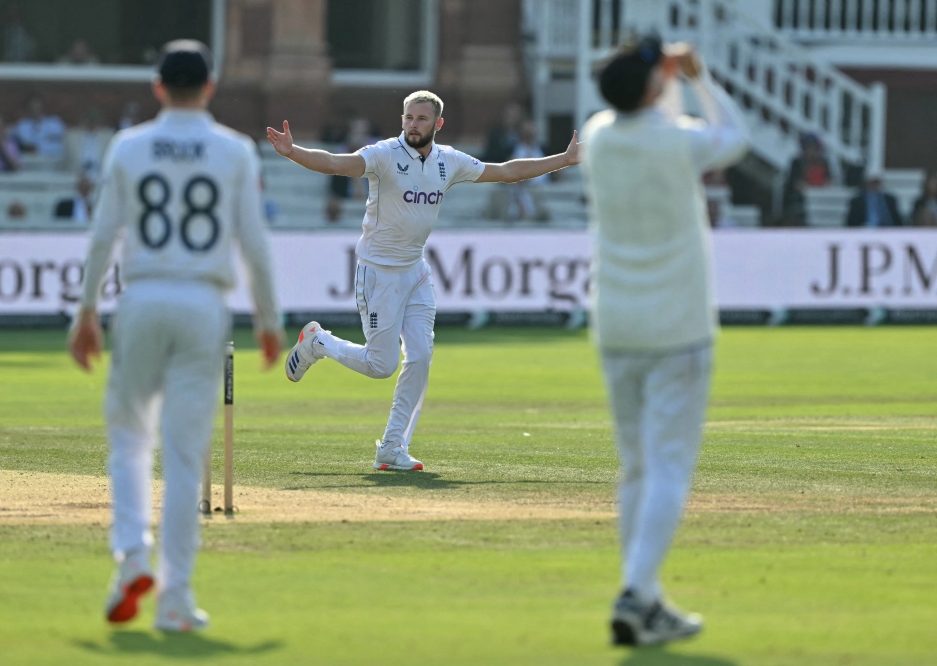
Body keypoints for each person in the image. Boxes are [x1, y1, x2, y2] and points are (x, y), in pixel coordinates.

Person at [67, 39, 286, 632]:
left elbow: (102, 234)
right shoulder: (234, 150)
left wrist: (85, 310)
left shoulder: (131, 145)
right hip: (203, 304)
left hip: (141, 297)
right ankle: (175, 599)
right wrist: (269, 321)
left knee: (129, 441)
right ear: (210, 87)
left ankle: (132, 555)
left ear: (159, 87)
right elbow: (255, 244)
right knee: (186, 457)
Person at [266, 91, 580, 472]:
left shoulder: (449, 162)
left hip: (416, 273)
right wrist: (294, 152)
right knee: (381, 366)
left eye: (421, 119)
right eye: (408, 118)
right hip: (378, 273)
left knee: (420, 357)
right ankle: (319, 342)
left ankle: (392, 447)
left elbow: (508, 171)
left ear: (437, 124)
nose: (413, 125)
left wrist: (563, 160)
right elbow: (336, 162)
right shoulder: (384, 155)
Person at [581, 36, 749, 646]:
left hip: (618, 325)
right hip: (677, 325)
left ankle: (645, 598)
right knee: (668, 467)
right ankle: (635, 591)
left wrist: (661, 75)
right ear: (655, 87)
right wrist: (699, 78)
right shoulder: (677, 141)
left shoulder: (599, 134)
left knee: (637, 468)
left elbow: (644, 110)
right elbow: (735, 135)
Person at [782, 132, 832, 226]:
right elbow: (795, 183)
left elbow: (829, 181)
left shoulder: (824, 162)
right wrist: (809, 191)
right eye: (809, 148)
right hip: (801, 200)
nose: (812, 151)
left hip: (821, 198)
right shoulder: (797, 163)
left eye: (814, 148)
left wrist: (820, 190)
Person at [63, 107, 115, 177]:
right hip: (76, 177)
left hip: (100, 177)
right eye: (89, 122)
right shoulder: (71, 137)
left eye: (94, 122)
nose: (91, 125)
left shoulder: (107, 136)